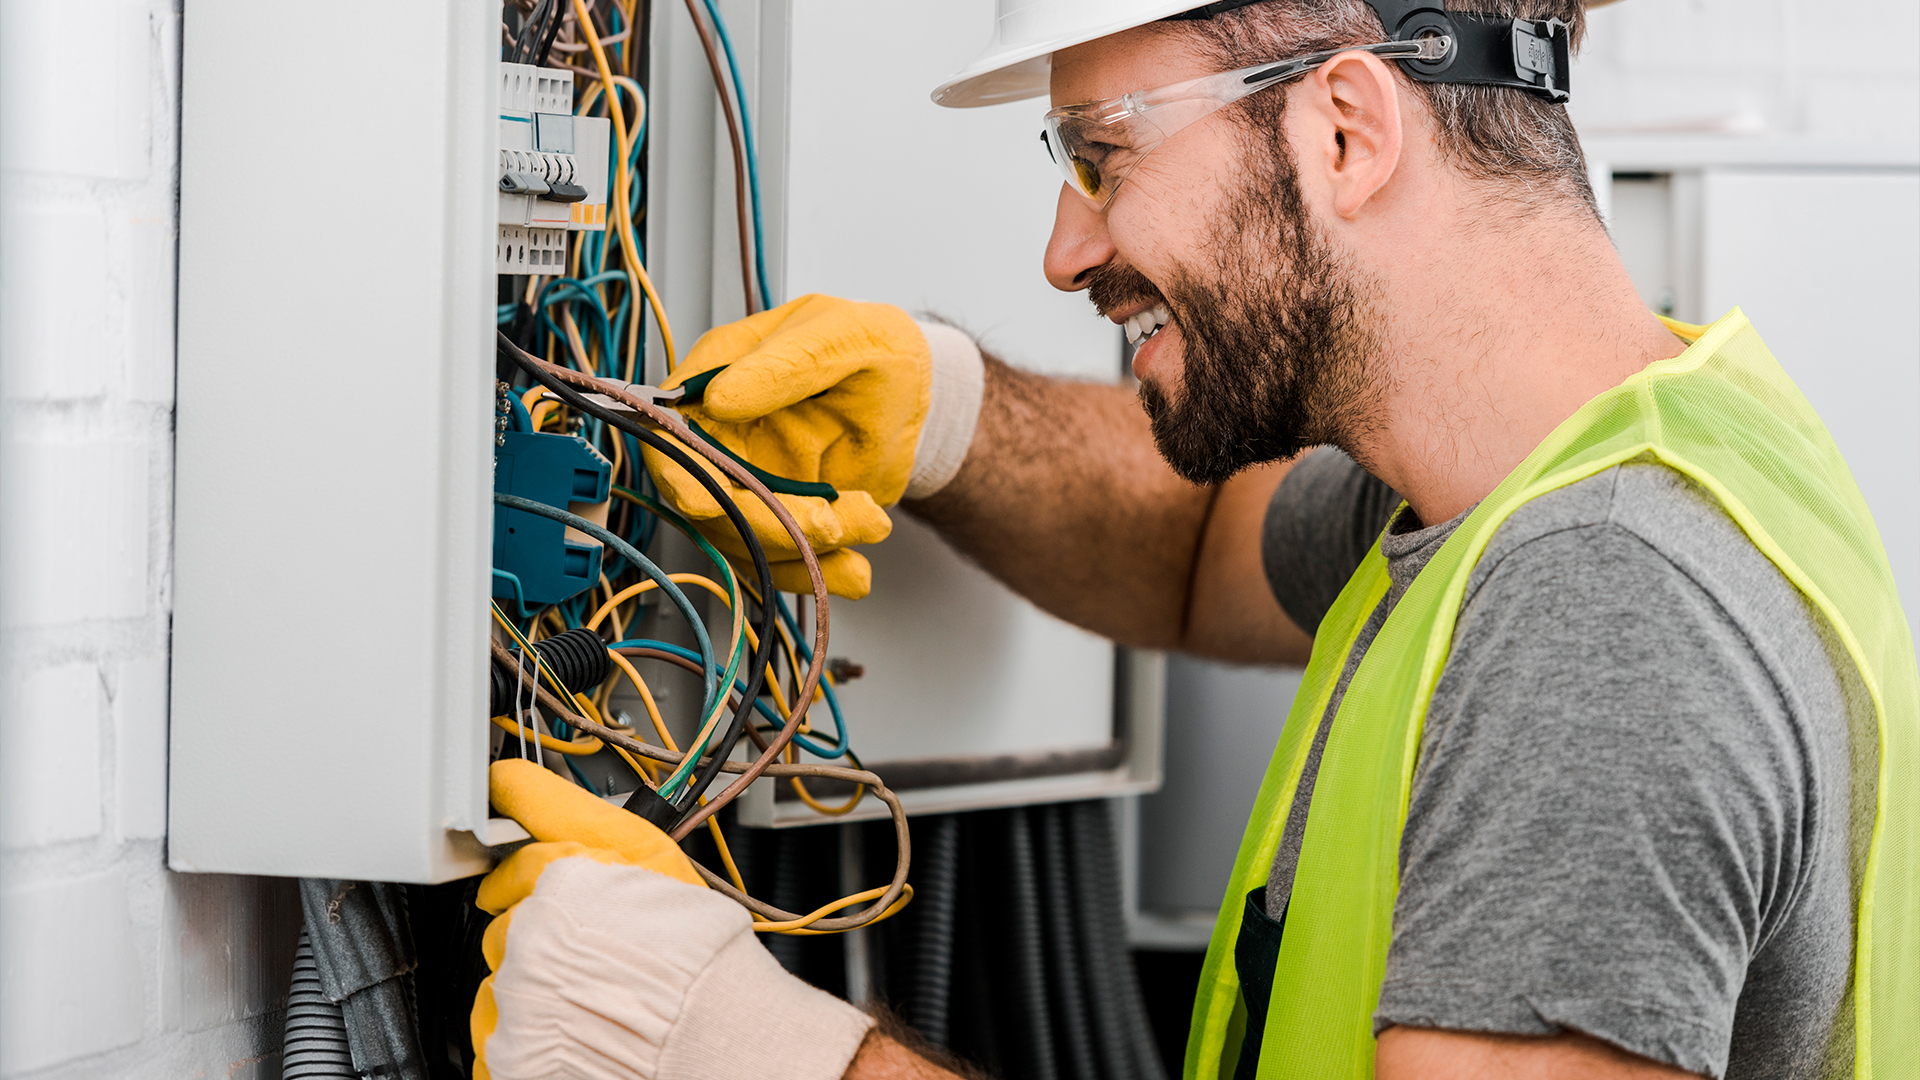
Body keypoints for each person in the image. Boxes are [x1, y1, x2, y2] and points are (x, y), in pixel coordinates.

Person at [471, 1, 1918, 1078]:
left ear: (1346, 129)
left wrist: (743, 1047)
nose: (1065, 251)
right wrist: (947, 416)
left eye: (1105, 156)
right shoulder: (1595, 458)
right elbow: (1191, 552)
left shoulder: (1602, 611)